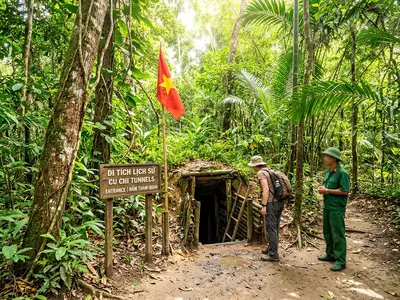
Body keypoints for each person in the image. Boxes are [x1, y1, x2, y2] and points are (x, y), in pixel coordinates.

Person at [248, 155, 291, 262]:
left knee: (271, 228)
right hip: (279, 202)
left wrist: (264, 206)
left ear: (255, 166)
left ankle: (273, 254)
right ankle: (271, 247)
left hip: (271, 203)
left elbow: (266, 190)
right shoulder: (270, 171)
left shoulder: (261, 173)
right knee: (274, 227)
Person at [318, 147, 350, 271]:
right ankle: (330, 254)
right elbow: (327, 186)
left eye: (327, 156)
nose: (325, 158)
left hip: (337, 208)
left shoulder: (342, 173)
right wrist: (323, 188)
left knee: (338, 234)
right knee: (328, 232)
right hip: (327, 206)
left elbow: (345, 191)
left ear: (334, 158)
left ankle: (341, 260)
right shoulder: (328, 171)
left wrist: (327, 190)